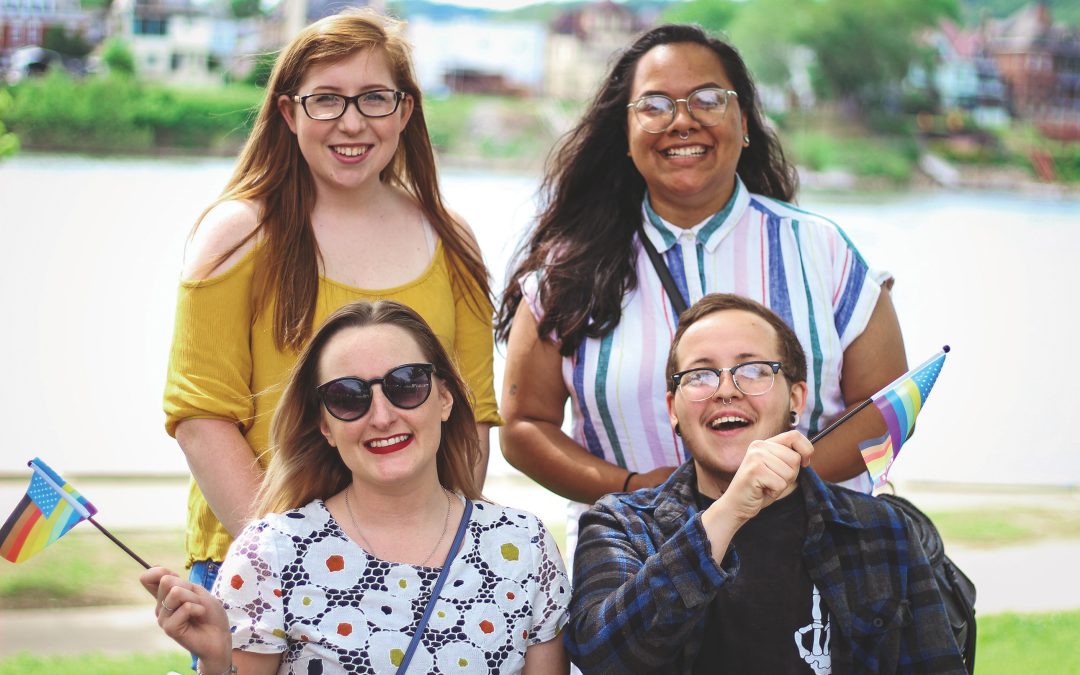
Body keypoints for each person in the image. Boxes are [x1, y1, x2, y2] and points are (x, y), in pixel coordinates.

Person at [496, 24, 906, 546]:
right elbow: (525, 426)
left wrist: (783, 482)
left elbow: (886, 406)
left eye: (708, 100)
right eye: (655, 105)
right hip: (638, 562)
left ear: (745, 123)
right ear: (625, 133)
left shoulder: (821, 249)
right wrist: (635, 489)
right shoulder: (565, 273)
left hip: (811, 559)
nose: (682, 121)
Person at [163, 8, 500, 598]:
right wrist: (293, 561)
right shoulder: (238, 236)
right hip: (263, 564)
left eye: (374, 98)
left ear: (404, 111)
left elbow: (468, 418)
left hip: (419, 568)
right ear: (290, 112)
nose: (351, 123)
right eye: (327, 100)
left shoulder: (451, 240)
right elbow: (201, 418)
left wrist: (439, 550)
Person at [145, 301, 570, 674]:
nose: (382, 416)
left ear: (444, 398)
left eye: (406, 384)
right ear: (325, 425)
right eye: (348, 397)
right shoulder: (269, 555)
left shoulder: (524, 547)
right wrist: (217, 664)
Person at [564, 293, 964, 674]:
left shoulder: (881, 529)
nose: (725, 390)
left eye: (753, 370)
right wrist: (728, 513)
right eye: (700, 375)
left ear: (796, 398)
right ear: (673, 409)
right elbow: (603, 659)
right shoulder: (620, 525)